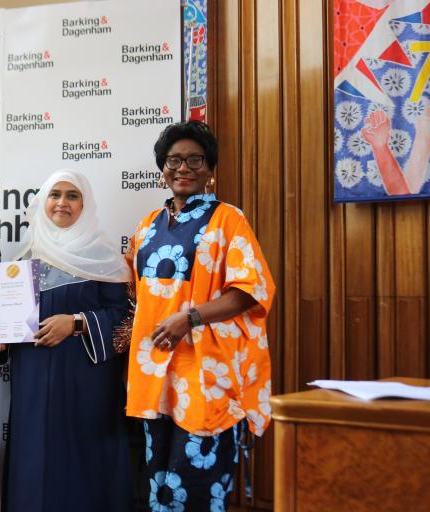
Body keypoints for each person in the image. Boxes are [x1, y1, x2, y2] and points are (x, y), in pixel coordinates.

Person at [125, 121, 275, 512]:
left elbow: (250, 291)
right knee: (160, 488)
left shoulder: (228, 219)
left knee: (197, 486)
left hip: (207, 375)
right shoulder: (146, 227)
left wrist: (188, 318)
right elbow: (133, 294)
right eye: (174, 160)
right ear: (163, 168)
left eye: (196, 160)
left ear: (210, 170)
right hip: (155, 376)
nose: (184, 168)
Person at [0, 169, 134, 512]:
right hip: (33, 385)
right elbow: (8, 332)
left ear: (85, 204)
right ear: (43, 202)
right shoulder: (22, 260)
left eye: (72, 195)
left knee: (84, 466)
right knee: (34, 462)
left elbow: (126, 319)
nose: (62, 202)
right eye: (55, 194)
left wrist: (77, 323)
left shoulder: (104, 258)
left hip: (87, 385)